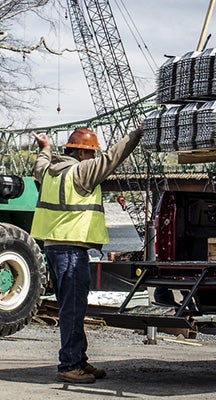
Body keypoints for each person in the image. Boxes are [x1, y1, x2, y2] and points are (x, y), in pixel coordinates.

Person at [30, 127, 142, 384]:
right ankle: (69, 364)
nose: (94, 159)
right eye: (91, 154)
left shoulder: (48, 172)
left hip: (53, 248)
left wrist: (45, 147)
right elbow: (113, 157)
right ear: (81, 153)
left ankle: (78, 359)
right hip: (70, 251)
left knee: (72, 308)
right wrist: (136, 134)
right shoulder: (82, 172)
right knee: (73, 309)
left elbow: (41, 160)